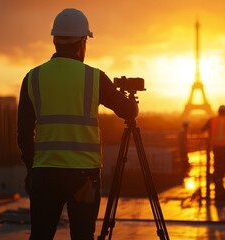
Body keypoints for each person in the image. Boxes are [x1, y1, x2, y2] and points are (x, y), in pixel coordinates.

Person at [17, 8, 138, 240]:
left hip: (45, 174)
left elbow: (23, 134)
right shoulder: (93, 77)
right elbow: (127, 111)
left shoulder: (32, 77)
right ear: (83, 42)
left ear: (55, 40)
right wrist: (134, 103)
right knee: (83, 236)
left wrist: (32, 169)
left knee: (40, 236)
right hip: (83, 177)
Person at [201, 105, 225, 199]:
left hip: (216, 149)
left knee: (218, 170)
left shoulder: (212, 120)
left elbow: (203, 129)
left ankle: (219, 191)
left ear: (218, 112)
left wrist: (210, 137)